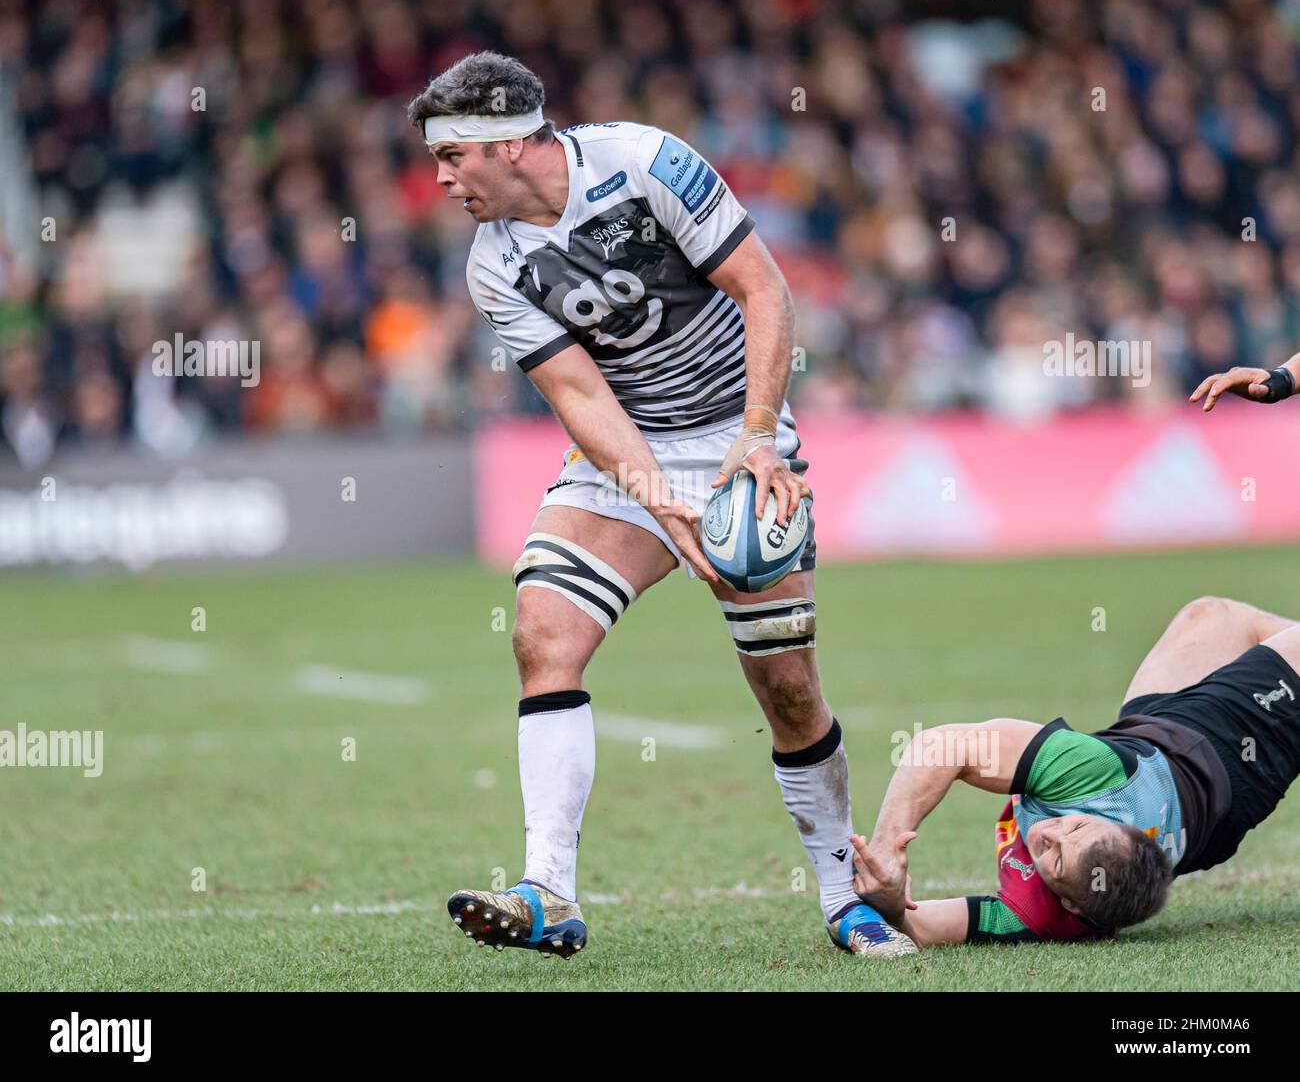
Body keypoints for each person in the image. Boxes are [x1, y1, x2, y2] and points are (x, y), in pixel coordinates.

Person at [409, 51, 914, 959]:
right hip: (628, 447)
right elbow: (581, 397)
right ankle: (548, 890)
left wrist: (758, 433)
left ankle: (845, 896)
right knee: (542, 629)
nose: (441, 178)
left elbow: (765, 287)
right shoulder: (493, 264)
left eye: (453, 156)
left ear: (514, 143)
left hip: (736, 432)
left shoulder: (646, 163)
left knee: (788, 686)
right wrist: (653, 495)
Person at [848, 595, 1300, 945]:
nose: (1049, 833)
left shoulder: (1041, 905)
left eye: (1059, 852)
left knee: (1211, 614)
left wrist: (889, 895)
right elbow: (941, 746)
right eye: (1071, 834)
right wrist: (889, 864)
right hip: (1236, 753)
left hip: (1156, 742)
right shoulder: (1094, 784)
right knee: (1237, 628)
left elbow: (918, 928)